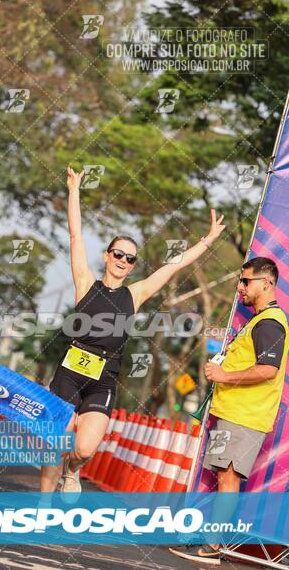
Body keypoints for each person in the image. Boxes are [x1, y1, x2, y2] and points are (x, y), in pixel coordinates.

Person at [40, 166, 226, 495]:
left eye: (130, 258)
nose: (123, 260)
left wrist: (207, 240)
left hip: (104, 376)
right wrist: (74, 191)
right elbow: (75, 236)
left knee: (83, 448)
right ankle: (41, 506)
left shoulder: (135, 294)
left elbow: (175, 265)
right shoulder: (85, 282)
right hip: (71, 369)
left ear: (133, 265)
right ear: (107, 256)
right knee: (59, 436)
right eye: (118, 254)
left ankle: (73, 469)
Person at [170, 256, 289, 565]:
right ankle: (210, 541)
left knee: (228, 478)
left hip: (245, 416)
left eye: (245, 281)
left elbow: (268, 370)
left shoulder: (270, 322)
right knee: (224, 477)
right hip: (234, 413)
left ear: (266, 283)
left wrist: (224, 375)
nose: (240, 287)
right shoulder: (260, 319)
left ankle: (212, 546)